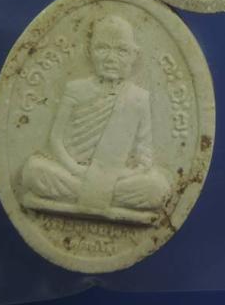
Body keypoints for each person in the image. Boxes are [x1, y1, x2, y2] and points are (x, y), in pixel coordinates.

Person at [21, 15, 171, 222]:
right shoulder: (75, 89)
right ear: (88, 51)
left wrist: (117, 176)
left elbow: (144, 157)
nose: (111, 58)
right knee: (34, 171)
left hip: (116, 180)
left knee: (156, 188)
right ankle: (99, 198)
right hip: (73, 174)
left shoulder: (138, 98)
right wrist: (77, 170)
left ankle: (86, 197)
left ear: (134, 55)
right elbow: (55, 140)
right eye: (102, 48)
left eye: (121, 50)